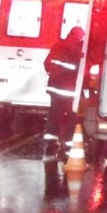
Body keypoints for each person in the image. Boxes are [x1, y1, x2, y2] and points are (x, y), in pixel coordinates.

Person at [43, 26, 85, 163]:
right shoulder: (76, 49)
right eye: (81, 36)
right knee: (70, 117)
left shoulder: (58, 45)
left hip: (54, 87)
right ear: (77, 35)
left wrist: (53, 74)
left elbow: (46, 64)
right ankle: (67, 146)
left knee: (53, 114)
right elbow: (77, 68)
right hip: (67, 89)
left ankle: (50, 143)